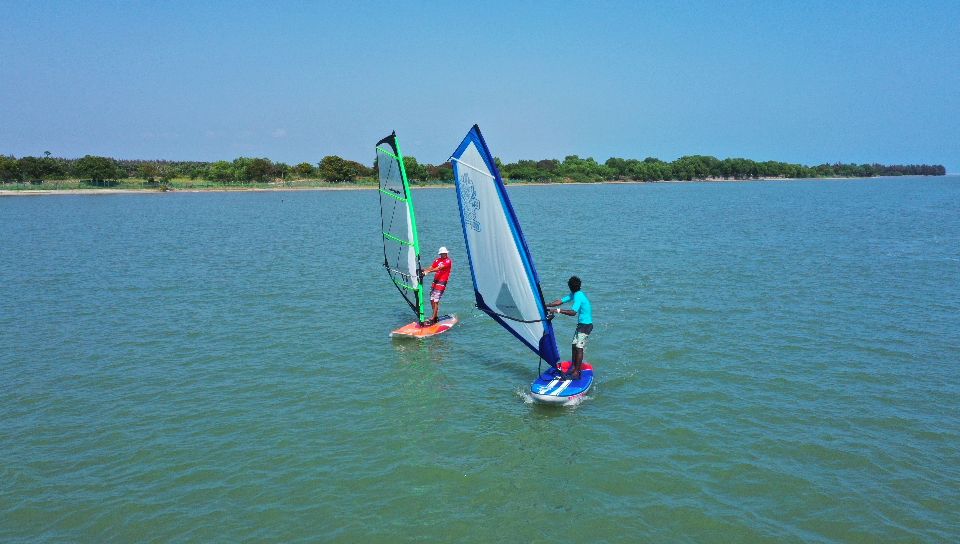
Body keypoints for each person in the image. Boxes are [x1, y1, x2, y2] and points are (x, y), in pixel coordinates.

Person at [546, 276, 592, 379]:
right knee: (574, 345)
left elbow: (573, 313)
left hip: (586, 325)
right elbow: (560, 301)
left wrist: (557, 310)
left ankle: (576, 372)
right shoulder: (575, 294)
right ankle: (573, 367)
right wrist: (546, 306)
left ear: (570, 287)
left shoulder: (578, 296)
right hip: (581, 325)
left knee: (579, 348)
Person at [421, 246, 452, 325]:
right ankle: (435, 317)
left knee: (436, 300)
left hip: (441, 282)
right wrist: (424, 270)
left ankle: (433, 318)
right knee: (431, 299)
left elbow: (439, 268)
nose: (444, 254)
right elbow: (432, 267)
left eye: (445, 253)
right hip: (435, 281)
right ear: (440, 254)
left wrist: (428, 272)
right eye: (442, 253)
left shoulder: (448, 261)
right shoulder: (437, 260)